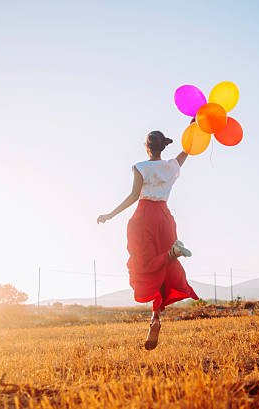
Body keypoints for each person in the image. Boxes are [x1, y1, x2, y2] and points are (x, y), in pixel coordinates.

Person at [97, 125, 198, 350]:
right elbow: (187, 150)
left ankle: (155, 314)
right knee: (163, 268)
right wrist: (194, 127)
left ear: (146, 147)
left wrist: (110, 214)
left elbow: (134, 195)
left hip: (144, 218)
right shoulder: (171, 166)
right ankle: (155, 317)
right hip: (165, 217)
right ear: (163, 147)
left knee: (143, 266)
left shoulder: (140, 167)